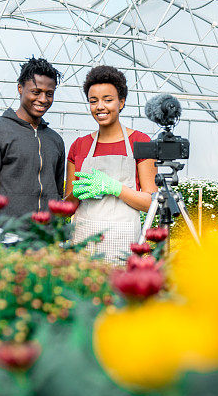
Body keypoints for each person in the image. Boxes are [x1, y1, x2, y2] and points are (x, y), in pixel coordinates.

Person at [65, 65, 157, 262]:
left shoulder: (140, 143)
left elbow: (151, 203)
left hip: (123, 239)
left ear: (121, 102)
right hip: (84, 239)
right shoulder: (79, 146)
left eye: (108, 100)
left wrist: (114, 187)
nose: (100, 106)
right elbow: (67, 206)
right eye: (93, 101)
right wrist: (75, 194)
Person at [0, 57, 66, 220]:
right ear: (20, 88)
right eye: (36, 92)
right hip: (8, 237)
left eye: (49, 94)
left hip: (47, 238)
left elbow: (57, 193)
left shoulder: (55, 141)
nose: (43, 99)